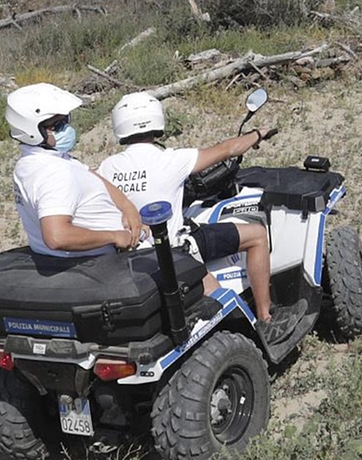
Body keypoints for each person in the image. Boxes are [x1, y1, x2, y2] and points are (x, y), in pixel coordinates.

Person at [98, 92, 305, 341]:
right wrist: (258, 133)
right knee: (257, 235)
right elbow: (230, 149)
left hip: (134, 257)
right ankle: (265, 318)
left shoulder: (107, 168)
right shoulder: (170, 159)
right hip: (176, 254)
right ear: (157, 121)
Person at [6, 83, 143, 258]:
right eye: (57, 125)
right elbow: (57, 236)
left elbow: (88, 173)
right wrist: (115, 236)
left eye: (66, 120)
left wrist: (127, 207)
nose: (66, 128)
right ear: (32, 131)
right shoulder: (53, 172)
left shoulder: (39, 160)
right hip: (100, 262)